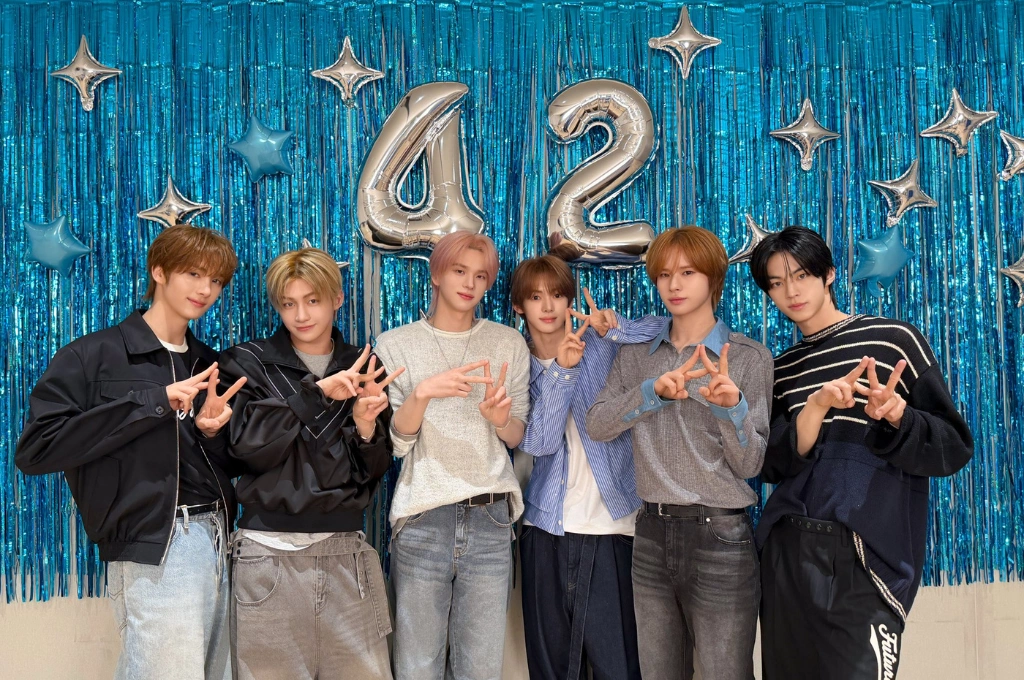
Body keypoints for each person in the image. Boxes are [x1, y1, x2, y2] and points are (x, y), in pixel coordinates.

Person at [16, 224, 241, 680]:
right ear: (159, 271)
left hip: (218, 538)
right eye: (194, 273)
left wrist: (210, 432)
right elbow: (37, 449)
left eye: (216, 280)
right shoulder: (94, 355)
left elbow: (212, 464)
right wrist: (153, 401)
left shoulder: (209, 362)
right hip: (157, 544)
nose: (205, 289)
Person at [749, 226, 974, 680]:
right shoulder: (781, 369)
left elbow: (954, 447)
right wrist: (814, 410)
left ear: (829, 274)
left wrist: (899, 416)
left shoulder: (892, 341)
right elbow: (771, 466)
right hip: (788, 550)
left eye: (802, 275)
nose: (791, 292)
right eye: (776, 283)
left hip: (863, 552)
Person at [586, 226, 772, 680]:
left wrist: (732, 409)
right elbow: (597, 425)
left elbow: (751, 465)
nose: (674, 284)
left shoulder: (748, 357)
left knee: (726, 674)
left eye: (688, 272)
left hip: (721, 537)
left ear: (713, 278)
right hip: (650, 533)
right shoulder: (636, 356)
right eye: (665, 274)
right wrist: (650, 394)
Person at [216, 247, 400, 679]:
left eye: (312, 300)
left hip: (346, 550)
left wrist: (366, 428)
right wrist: (316, 395)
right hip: (267, 552)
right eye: (288, 303)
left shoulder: (364, 365)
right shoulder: (246, 363)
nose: (300, 315)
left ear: (337, 299)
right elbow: (246, 449)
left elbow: (373, 471)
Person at [373, 231, 530, 680]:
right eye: (460, 271)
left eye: (481, 276)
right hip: (423, 517)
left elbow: (517, 435)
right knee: (417, 664)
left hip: (491, 519)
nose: (470, 284)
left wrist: (500, 419)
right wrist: (422, 394)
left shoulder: (507, 343)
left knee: (480, 667)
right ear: (437, 273)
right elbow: (397, 444)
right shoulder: (395, 344)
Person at [510, 249, 662, 680]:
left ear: (569, 300)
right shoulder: (519, 366)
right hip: (546, 528)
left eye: (557, 295)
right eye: (535, 297)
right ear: (519, 306)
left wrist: (616, 326)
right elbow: (538, 442)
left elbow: (669, 330)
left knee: (619, 665)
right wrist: (562, 370)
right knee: (553, 668)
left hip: (613, 526)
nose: (548, 306)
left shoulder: (601, 345)